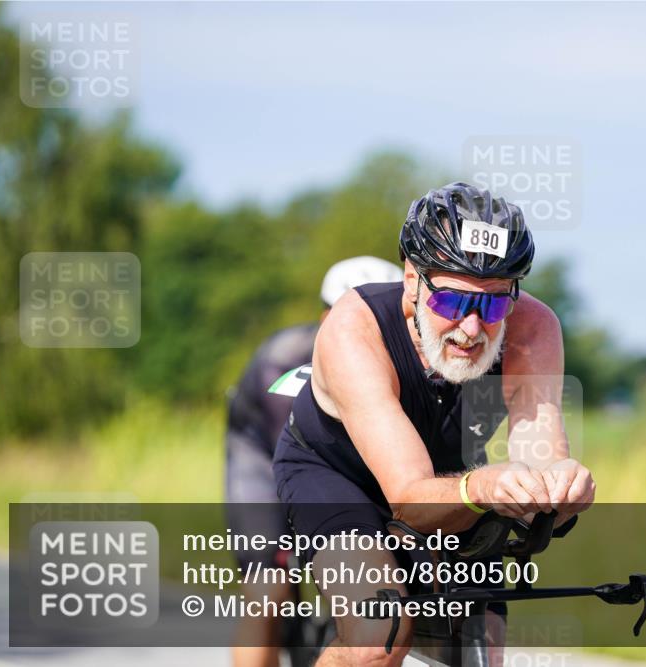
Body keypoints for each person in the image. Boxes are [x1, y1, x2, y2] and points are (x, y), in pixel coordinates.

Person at [273, 182, 596, 667]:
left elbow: (538, 442)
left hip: (453, 471)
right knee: (377, 637)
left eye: (492, 305)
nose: (471, 328)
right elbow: (408, 496)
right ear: (412, 281)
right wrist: (483, 488)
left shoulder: (533, 326)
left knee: (479, 645)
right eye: (451, 302)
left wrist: (560, 487)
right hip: (339, 477)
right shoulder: (354, 329)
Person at [226, 256, 404, 667]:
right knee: (268, 588)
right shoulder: (284, 362)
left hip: (339, 459)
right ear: (327, 316)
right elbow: (298, 465)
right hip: (262, 454)